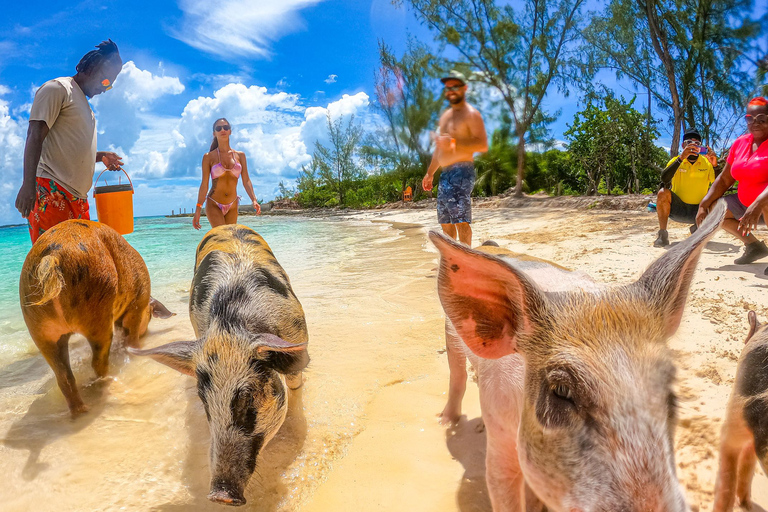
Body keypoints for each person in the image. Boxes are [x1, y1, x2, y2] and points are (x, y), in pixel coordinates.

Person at [15, 40, 124, 243]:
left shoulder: (87, 109)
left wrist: (101, 156)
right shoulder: (59, 89)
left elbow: (70, 149)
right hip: (52, 191)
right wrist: (28, 185)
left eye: (110, 86)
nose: (105, 88)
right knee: (54, 267)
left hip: (79, 199)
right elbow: (35, 134)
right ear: (91, 68)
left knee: (82, 270)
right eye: (106, 81)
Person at [697, 97, 768, 271]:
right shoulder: (740, 143)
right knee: (716, 209)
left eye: (762, 118)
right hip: (745, 205)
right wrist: (703, 205)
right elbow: (724, 179)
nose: (755, 123)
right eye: (750, 119)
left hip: (763, 205)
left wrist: (758, 204)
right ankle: (754, 246)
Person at [422, 70, 488, 247]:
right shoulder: (445, 118)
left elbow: (481, 144)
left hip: (462, 171)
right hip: (445, 174)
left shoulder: (471, 114)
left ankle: (467, 257)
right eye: (447, 87)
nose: (451, 90)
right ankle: (453, 260)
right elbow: (439, 150)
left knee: (460, 219)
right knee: (445, 221)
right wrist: (429, 174)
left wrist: (452, 142)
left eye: (455, 86)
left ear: (464, 88)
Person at [193, 118, 261, 230]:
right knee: (223, 236)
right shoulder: (208, 157)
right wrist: (198, 210)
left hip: (233, 205)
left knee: (230, 240)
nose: (222, 130)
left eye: (226, 127)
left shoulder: (240, 156)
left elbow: (246, 180)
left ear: (230, 131)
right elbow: (204, 185)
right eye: (218, 128)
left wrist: (254, 199)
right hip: (214, 204)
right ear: (214, 133)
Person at [654, 128, 715, 247]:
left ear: (701, 147)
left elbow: (718, 183)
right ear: (683, 145)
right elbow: (664, 179)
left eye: (697, 144)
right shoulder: (675, 161)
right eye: (689, 143)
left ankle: (698, 228)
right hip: (678, 209)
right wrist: (681, 158)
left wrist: (715, 165)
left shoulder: (706, 163)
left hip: (700, 211)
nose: (693, 146)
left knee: (717, 198)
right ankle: (662, 235)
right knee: (662, 193)